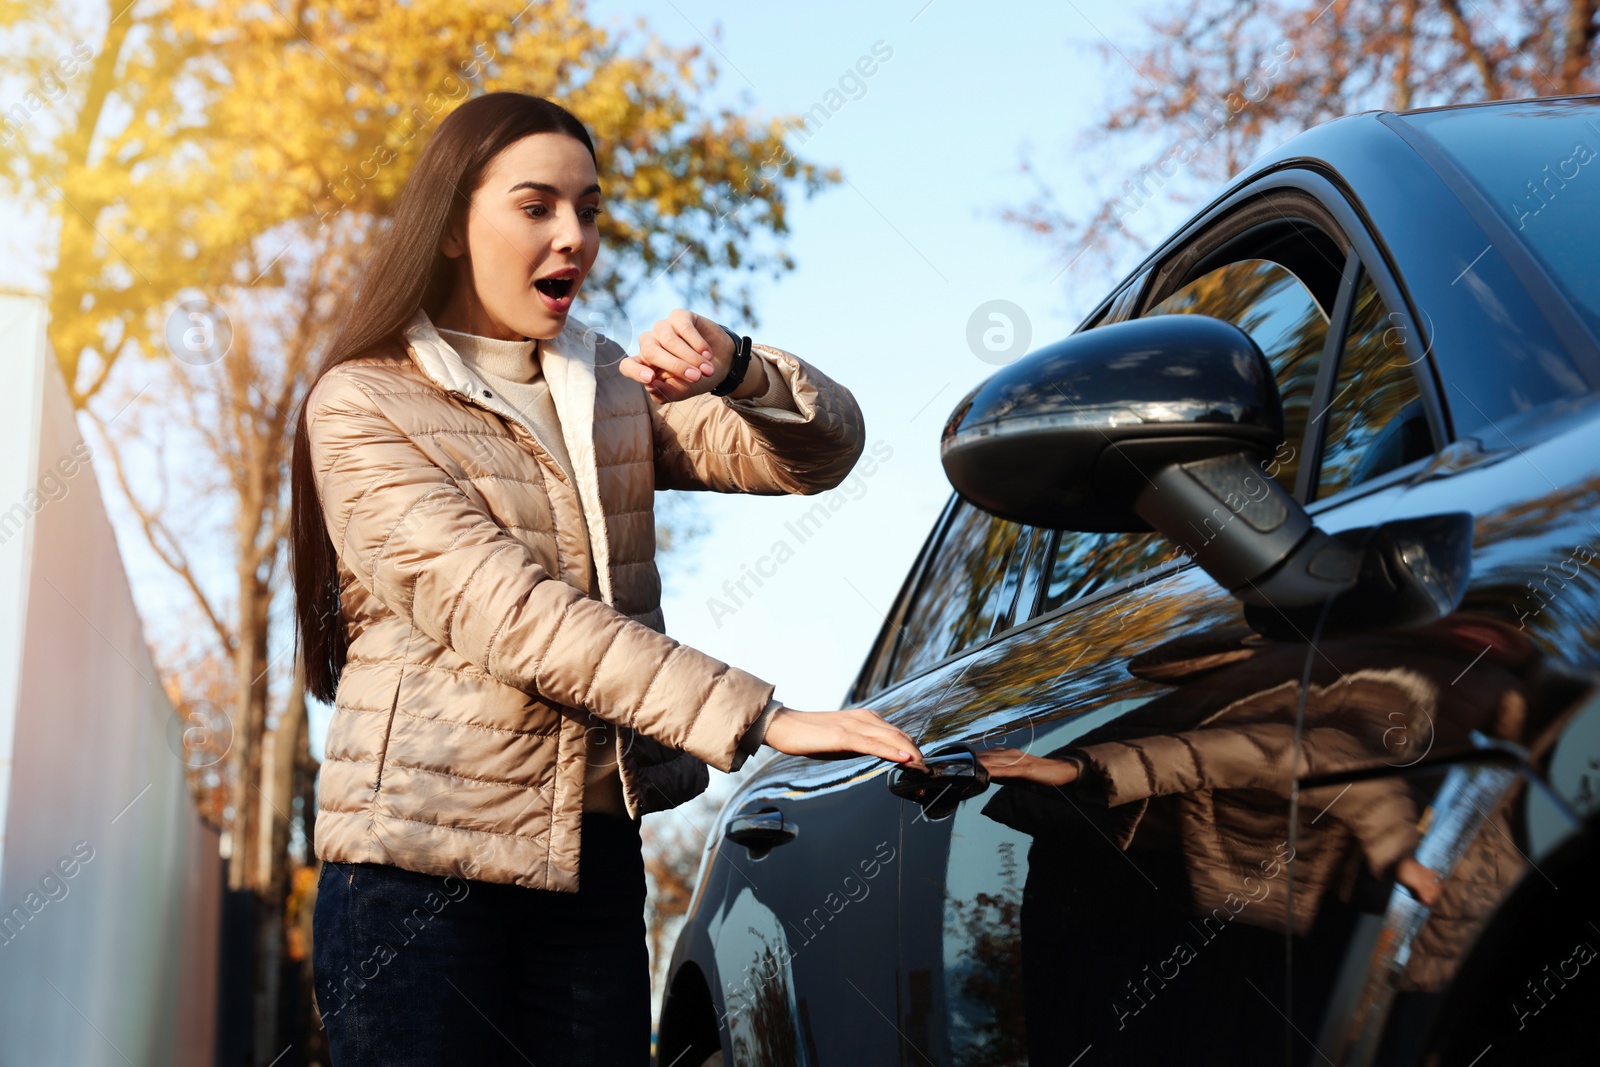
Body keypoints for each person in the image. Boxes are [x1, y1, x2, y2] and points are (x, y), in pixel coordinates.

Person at [289, 91, 922, 1067]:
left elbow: (822, 453)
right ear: (454, 222)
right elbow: (512, 615)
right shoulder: (366, 400)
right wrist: (758, 717)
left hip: (590, 864)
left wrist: (742, 366)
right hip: (416, 879)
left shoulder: (609, 389)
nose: (573, 236)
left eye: (588, 209)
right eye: (536, 207)